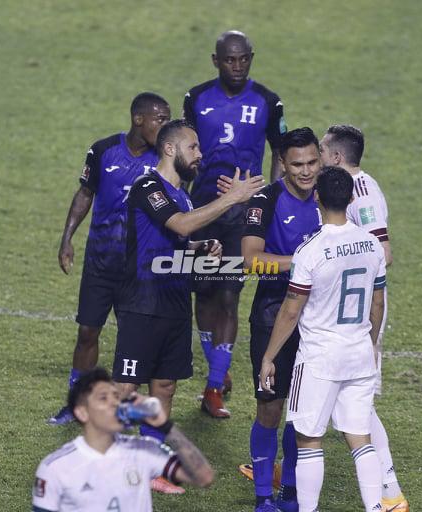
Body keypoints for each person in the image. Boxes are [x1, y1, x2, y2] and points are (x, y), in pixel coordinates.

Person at [115, 119, 263, 493]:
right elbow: (179, 226)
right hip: (142, 304)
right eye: (193, 147)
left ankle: (149, 469)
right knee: (125, 388)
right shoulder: (149, 186)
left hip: (175, 306)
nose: (201, 154)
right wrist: (232, 198)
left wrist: (201, 248)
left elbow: (176, 241)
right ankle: (107, 461)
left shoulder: (184, 197)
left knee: (164, 386)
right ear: (170, 149)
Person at [260, 166, 387, 512]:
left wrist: (269, 355)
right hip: (359, 353)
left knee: (308, 439)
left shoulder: (311, 251)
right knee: (360, 438)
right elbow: (377, 303)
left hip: (318, 358)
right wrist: (371, 343)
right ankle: (376, 507)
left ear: (317, 197)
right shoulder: (372, 244)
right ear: (350, 199)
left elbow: (290, 310)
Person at [48, 93, 171, 425]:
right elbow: (85, 193)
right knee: (87, 332)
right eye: (160, 119)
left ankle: (128, 409)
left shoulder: (164, 159)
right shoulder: (103, 151)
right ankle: (77, 406)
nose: (165, 126)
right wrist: (67, 238)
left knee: (136, 341)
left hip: (141, 271)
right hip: (100, 264)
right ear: (138, 119)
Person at [183, 30, 287, 417]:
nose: (238, 66)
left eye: (244, 59)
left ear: (251, 58)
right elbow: (185, 150)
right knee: (204, 293)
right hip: (202, 210)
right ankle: (218, 367)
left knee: (229, 295)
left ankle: (213, 387)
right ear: (216, 61)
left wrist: (269, 196)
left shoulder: (268, 101)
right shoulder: (195, 98)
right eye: (230, 59)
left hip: (242, 216)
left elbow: (280, 151)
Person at [223, 127, 320, 512]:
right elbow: (250, 259)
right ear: (282, 163)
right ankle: (264, 497)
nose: (307, 171)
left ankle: (292, 494)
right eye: (297, 164)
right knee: (270, 407)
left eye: (313, 161)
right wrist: (305, 262)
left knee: (304, 411)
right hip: (273, 313)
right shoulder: (266, 200)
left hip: (319, 318)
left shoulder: (332, 193)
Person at [319, 124, 408, 511]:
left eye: (322, 151)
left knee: (357, 405)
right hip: (339, 308)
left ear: (337, 158)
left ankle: (390, 492)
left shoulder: (363, 192)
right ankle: (290, 469)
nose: (315, 159)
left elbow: (382, 253)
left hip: (357, 311)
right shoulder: (342, 188)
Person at [32, 368, 214, 512]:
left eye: (116, 397)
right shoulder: (55, 468)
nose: (114, 403)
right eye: (103, 398)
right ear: (82, 412)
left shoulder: (144, 450)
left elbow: (203, 477)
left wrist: (166, 426)